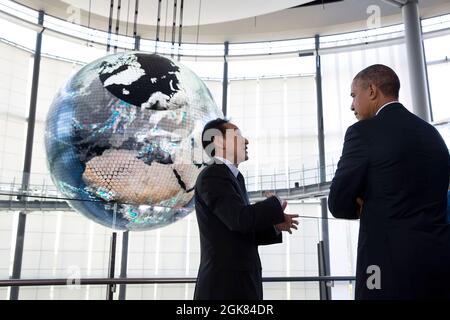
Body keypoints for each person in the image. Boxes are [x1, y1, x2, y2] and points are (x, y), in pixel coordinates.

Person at [328, 64, 450, 299]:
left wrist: (366, 202)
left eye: (354, 95)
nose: (352, 105)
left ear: (372, 91)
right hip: (438, 263)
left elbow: (338, 202)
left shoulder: (362, 132)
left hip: (384, 268)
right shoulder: (433, 135)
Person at [193, 118, 299, 300]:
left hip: (240, 285)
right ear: (219, 141)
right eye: (239, 135)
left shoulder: (233, 177)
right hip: (224, 289)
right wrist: (275, 202)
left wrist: (274, 226)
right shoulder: (213, 175)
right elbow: (239, 219)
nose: (246, 141)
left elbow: (240, 231)